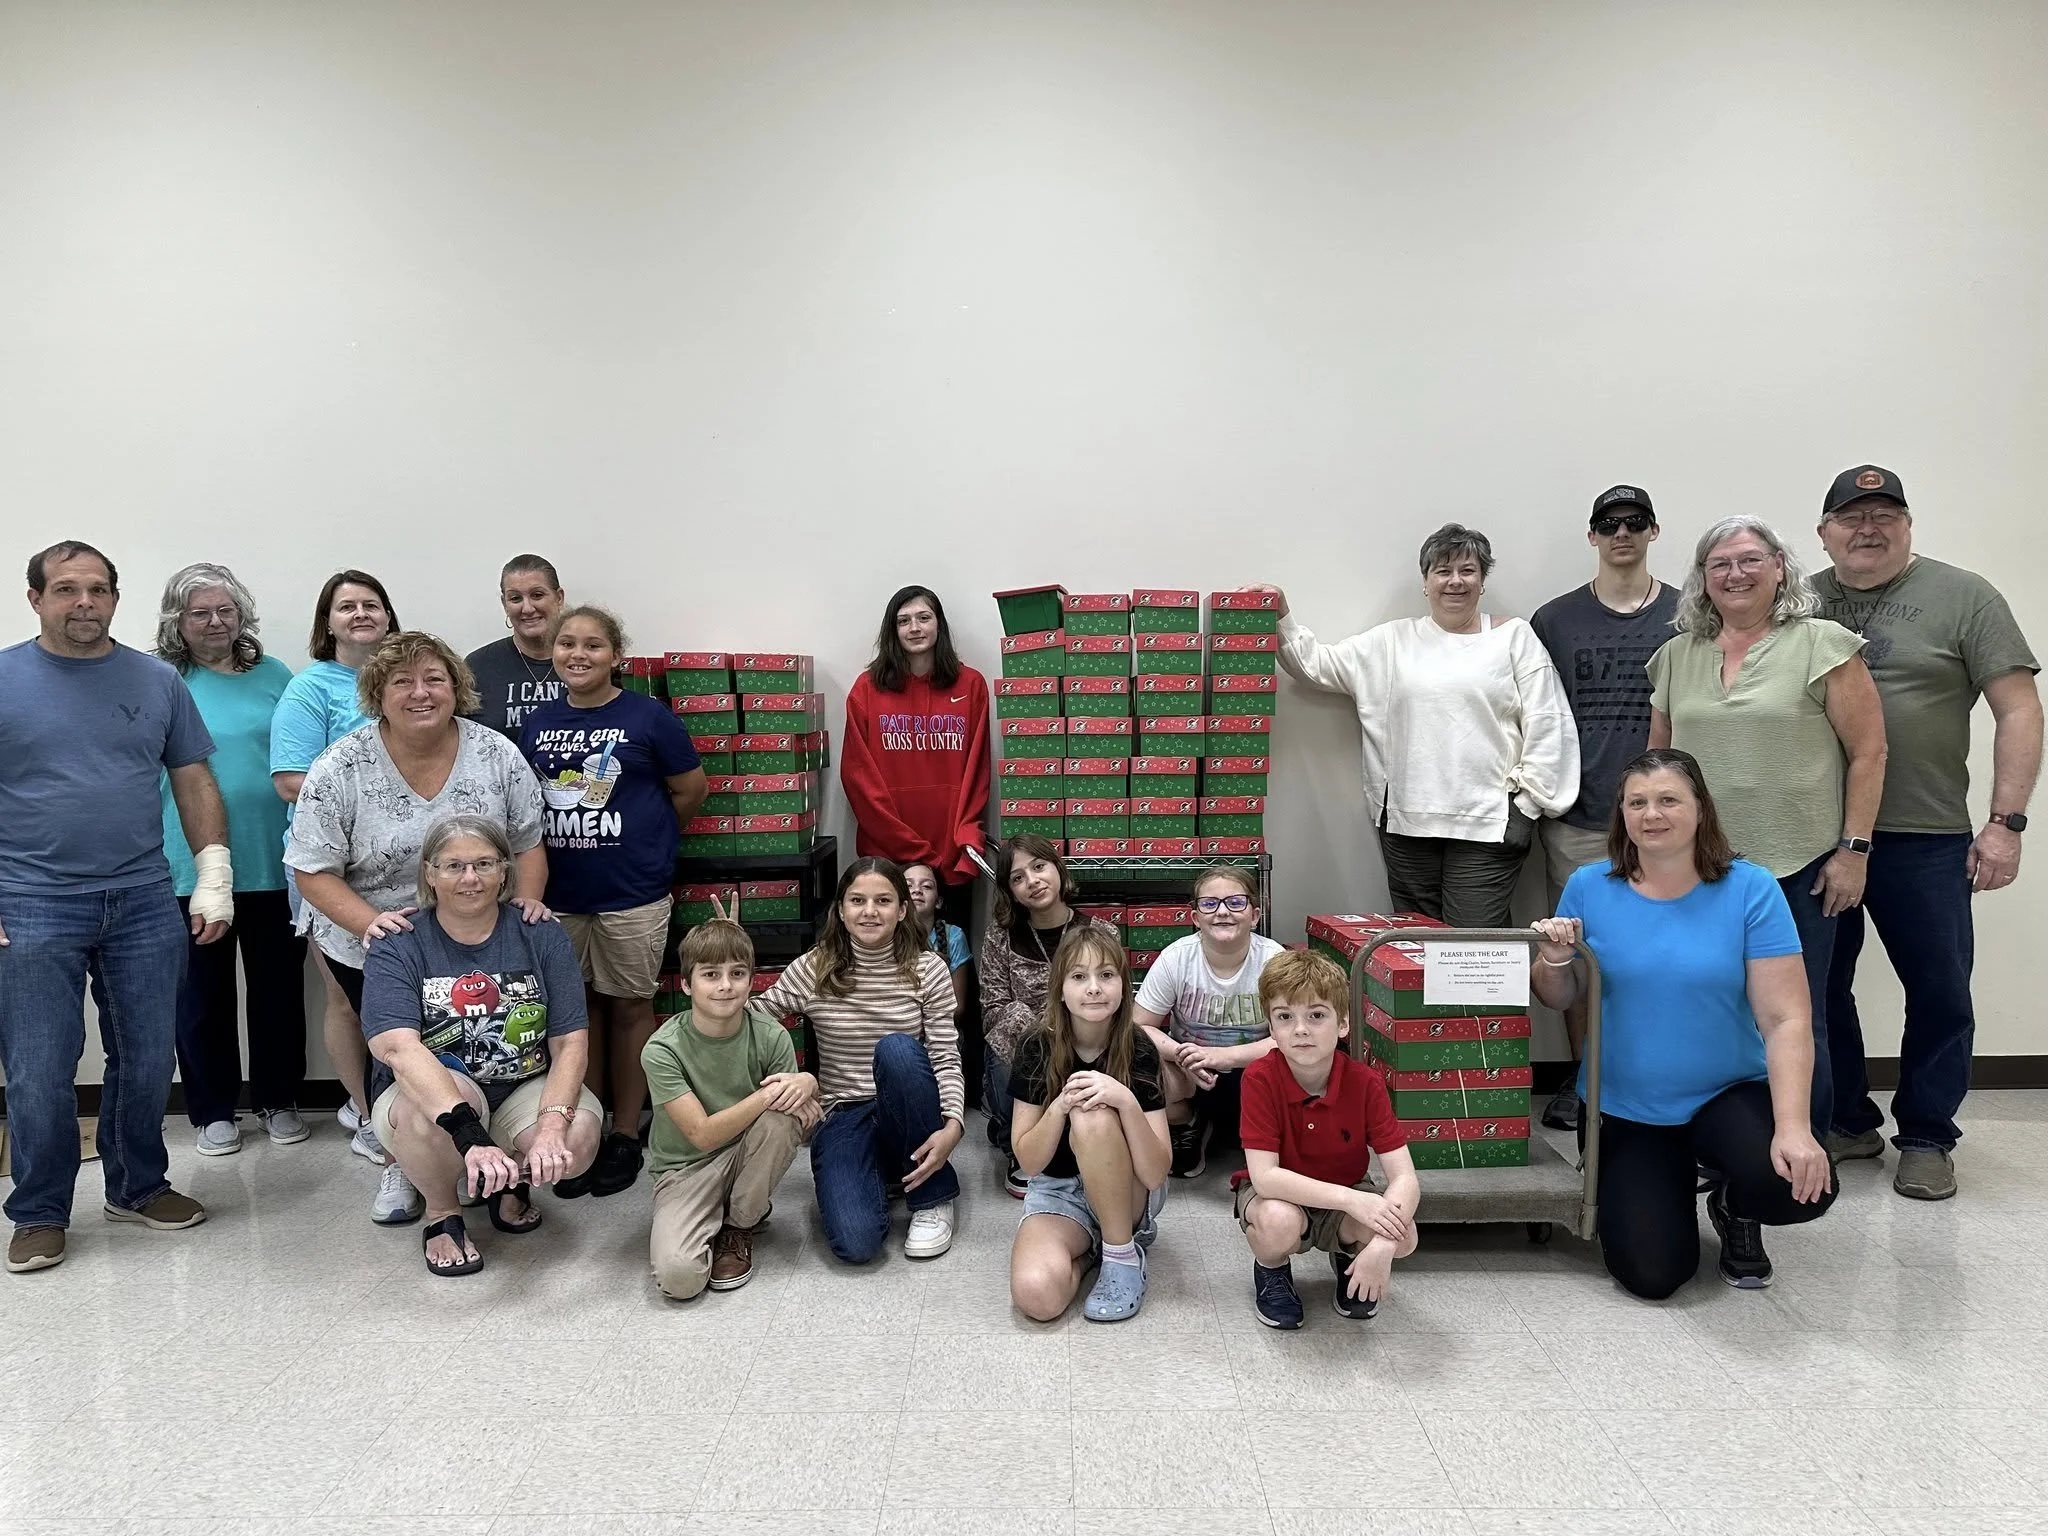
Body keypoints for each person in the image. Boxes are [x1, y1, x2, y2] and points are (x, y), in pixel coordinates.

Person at [1811, 466, 2042, 1200]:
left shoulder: (1964, 596)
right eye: (1852, 516)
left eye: (1885, 514)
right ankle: (1846, 1121)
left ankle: (1927, 1137)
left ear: (1908, 526)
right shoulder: (1800, 598)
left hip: (1926, 835)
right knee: (1818, 989)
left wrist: (2004, 825)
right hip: (1820, 835)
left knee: (1940, 991)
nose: (1868, 528)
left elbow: (2019, 710)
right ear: (1825, 532)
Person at [1, 542, 232, 1274]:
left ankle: (137, 1185)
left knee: (145, 1055)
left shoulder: (157, 680)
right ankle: (39, 1211)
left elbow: (192, 779)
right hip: (32, 900)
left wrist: (213, 874)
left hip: (140, 898)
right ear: (35, 597)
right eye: (66, 589)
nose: (84, 603)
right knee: (39, 1065)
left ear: (115, 599)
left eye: (98, 589)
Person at [1532, 748, 1835, 1299]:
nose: (1652, 814)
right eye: (1637, 802)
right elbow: (1559, 996)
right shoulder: (1589, 886)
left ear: (1701, 809)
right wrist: (1553, 959)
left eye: (1669, 799)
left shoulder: (1751, 888)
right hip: (1627, 1107)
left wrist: (1794, 1129)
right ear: (1622, 814)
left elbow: (1786, 1017)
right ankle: (1666, 1184)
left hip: (1725, 1093)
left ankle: (1735, 1204)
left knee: (1794, 1186)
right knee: (1654, 1276)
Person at [285, 631, 548, 1225]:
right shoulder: (341, 767)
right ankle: (398, 1158)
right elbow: (312, 869)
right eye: (403, 681)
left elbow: (529, 842)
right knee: (395, 1061)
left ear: (456, 688)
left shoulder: (497, 755)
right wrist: (372, 924)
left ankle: (495, 1157)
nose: (421, 692)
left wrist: (526, 915)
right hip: (377, 938)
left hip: (483, 938)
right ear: (378, 693)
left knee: (487, 1050)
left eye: (434, 679)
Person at [1648, 516, 1887, 1140]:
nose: (1736, 574)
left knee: (1798, 1015)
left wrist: (1853, 851)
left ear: (1781, 567)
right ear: (1703, 580)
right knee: (1707, 1010)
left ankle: (1804, 1143)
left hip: (1800, 866)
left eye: (1751, 559)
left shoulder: (1823, 643)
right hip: (1699, 870)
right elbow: (1658, 766)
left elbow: (1870, 753)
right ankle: (1722, 1141)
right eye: (1720, 564)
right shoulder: (1676, 656)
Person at [1262, 523, 1579, 927]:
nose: (1455, 581)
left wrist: (1529, 806)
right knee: (1417, 951)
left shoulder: (1514, 637)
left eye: (1468, 570)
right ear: (1425, 582)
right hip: (1405, 825)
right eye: (1443, 571)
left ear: (1482, 582)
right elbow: (1318, 667)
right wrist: (1283, 615)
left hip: (1488, 825)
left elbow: (1550, 724)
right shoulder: (1393, 641)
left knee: (1476, 954)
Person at [359, 814, 602, 1276]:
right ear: (429, 873)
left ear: (505, 872)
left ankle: (504, 1181)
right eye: (453, 866)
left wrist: (551, 1129)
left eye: (484, 864)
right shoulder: (399, 942)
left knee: (578, 1139)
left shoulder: (541, 932)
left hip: (522, 1084)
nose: (470, 878)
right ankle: (442, 1213)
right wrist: (469, 1136)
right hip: (440, 1094)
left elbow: (571, 1042)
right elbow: (397, 1049)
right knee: (430, 1117)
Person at [519, 606, 707, 1199]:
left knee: (627, 1007)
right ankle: (585, 1131)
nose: (579, 654)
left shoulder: (649, 718)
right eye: (567, 644)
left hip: (631, 891)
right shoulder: (535, 722)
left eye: (593, 645)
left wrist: (645, 841)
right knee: (576, 1016)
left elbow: (689, 790)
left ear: (616, 655)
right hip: (558, 896)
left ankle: (627, 1130)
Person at [1528, 486, 1682, 1132]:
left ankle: (1662, 1084)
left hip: (1668, 819)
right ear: (1592, 536)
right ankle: (1587, 1079)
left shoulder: (1688, 614)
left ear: (1653, 531)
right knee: (1576, 955)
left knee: (1663, 956)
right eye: (1609, 524)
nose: (1623, 533)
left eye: (1635, 522)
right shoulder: (1554, 621)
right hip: (1580, 813)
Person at [153, 562, 308, 1155]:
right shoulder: (161, 679)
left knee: (277, 990)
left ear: (242, 614)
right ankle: (213, 1110)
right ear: (178, 621)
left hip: (274, 858)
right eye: (200, 613)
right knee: (200, 995)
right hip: (190, 863)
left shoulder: (276, 675)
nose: (215, 621)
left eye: (225, 610)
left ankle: (278, 1098)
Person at [758, 858, 962, 1264]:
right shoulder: (813, 968)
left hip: (905, 1105)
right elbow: (755, 1017)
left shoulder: (929, 968)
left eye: (883, 900)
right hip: (843, 1112)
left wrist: (954, 1126)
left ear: (902, 910)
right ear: (841, 910)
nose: (870, 911)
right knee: (857, 1244)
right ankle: (886, 1172)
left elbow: (945, 1055)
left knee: (897, 1049)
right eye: (858, 900)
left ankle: (930, 1197)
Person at [270, 568, 398, 1158]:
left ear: (389, 616)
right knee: (348, 997)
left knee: (404, 995)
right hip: (331, 869)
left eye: (372, 604)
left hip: (401, 869)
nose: (361, 614)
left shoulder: (404, 679)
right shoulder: (309, 688)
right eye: (347, 607)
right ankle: (369, 1114)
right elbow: (291, 782)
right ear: (328, 622)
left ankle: (407, 1105)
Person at [1236, 950, 1420, 1329]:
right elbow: (1266, 1178)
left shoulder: (1365, 1082)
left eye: (1316, 1015)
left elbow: (1405, 1178)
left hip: (1347, 1186)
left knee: (1405, 1236)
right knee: (1277, 1220)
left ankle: (1352, 1260)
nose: (1300, 1029)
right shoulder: (1259, 1078)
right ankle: (1271, 1269)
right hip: (1281, 1195)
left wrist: (1383, 1246)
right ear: (1271, 1027)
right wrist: (1354, 1201)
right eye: (1285, 1017)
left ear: (1343, 1024)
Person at [643, 915, 818, 1299]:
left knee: (783, 1116)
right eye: (710, 975)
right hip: (684, 1169)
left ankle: (738, 1224)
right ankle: (721, 1211)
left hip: (745, 1153)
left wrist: (808, 1085)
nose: (725, 986)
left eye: (737, 973)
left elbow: (798, 1118)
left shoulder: (770, 1034)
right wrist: (771, 1094)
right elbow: (701, 1134)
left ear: (752, 980)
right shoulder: (662, 1049)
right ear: (686, 984)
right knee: (680, 1279)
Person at [1009, 928, 1171, 1324]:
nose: (1094, 988)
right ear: (1060, 990)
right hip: (1059, 1192)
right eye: (1079, 977)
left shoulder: (1140, 1047)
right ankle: (1095, 1253)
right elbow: (1029, 1163)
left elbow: (1154, 1172)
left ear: (1124, 986)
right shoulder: (1036, 1046)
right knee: (1037, 1296)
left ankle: (1121, 1253)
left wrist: (1125, 1100)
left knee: (1093, 1113)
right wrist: (1060, 1105)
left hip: (1130, 1188)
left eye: (1107, 975)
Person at [841, 586, 990, 933]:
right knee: (886, 964)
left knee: (952, 961)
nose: (915, 628)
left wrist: (962, 839)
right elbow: (858, 780)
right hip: (887, 854)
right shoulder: (865, 690)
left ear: (939, 625)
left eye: (924, 618)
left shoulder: (971, 685)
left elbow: (977, 773)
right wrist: (911, 848)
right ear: (892, 631)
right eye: (904, 621)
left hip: (953, 856)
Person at [978, 835, 1116, 1195]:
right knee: (1011, 1029)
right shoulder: (1001, 936)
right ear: (1010, 890)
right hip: (1026, 1047)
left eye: (1039, 867)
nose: (1032, 881)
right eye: (1018, 877)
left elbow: (1115, 1001)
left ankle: (1085, 1139)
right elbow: (991, 1009)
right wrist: (1040, 1030)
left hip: (1086, 1041)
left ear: (1057, 868)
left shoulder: (1101, 932)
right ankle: (1018, 1145)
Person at [1133, 866, 1287, 1180]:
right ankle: (1186, 1123)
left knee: (1301, 1063)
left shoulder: (1274, 960)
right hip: (1189, 1073)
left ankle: (1257, 1136)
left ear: (1255, 915)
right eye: (1209, 904)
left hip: (1256, 1076)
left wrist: (1223, 1057)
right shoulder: (1176, 958)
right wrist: (1180, 1055)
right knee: (1137, 1066)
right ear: (1195, 917)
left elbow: (1289, 1037)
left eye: (1235, 903)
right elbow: (1140, 1026)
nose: (1222, 912)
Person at [465, 554, 566, 740]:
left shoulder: (583, 662)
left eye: (537, 595)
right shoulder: (477, 666)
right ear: (505, 604)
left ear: (559, 598)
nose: (527, 608)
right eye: (515, 598)